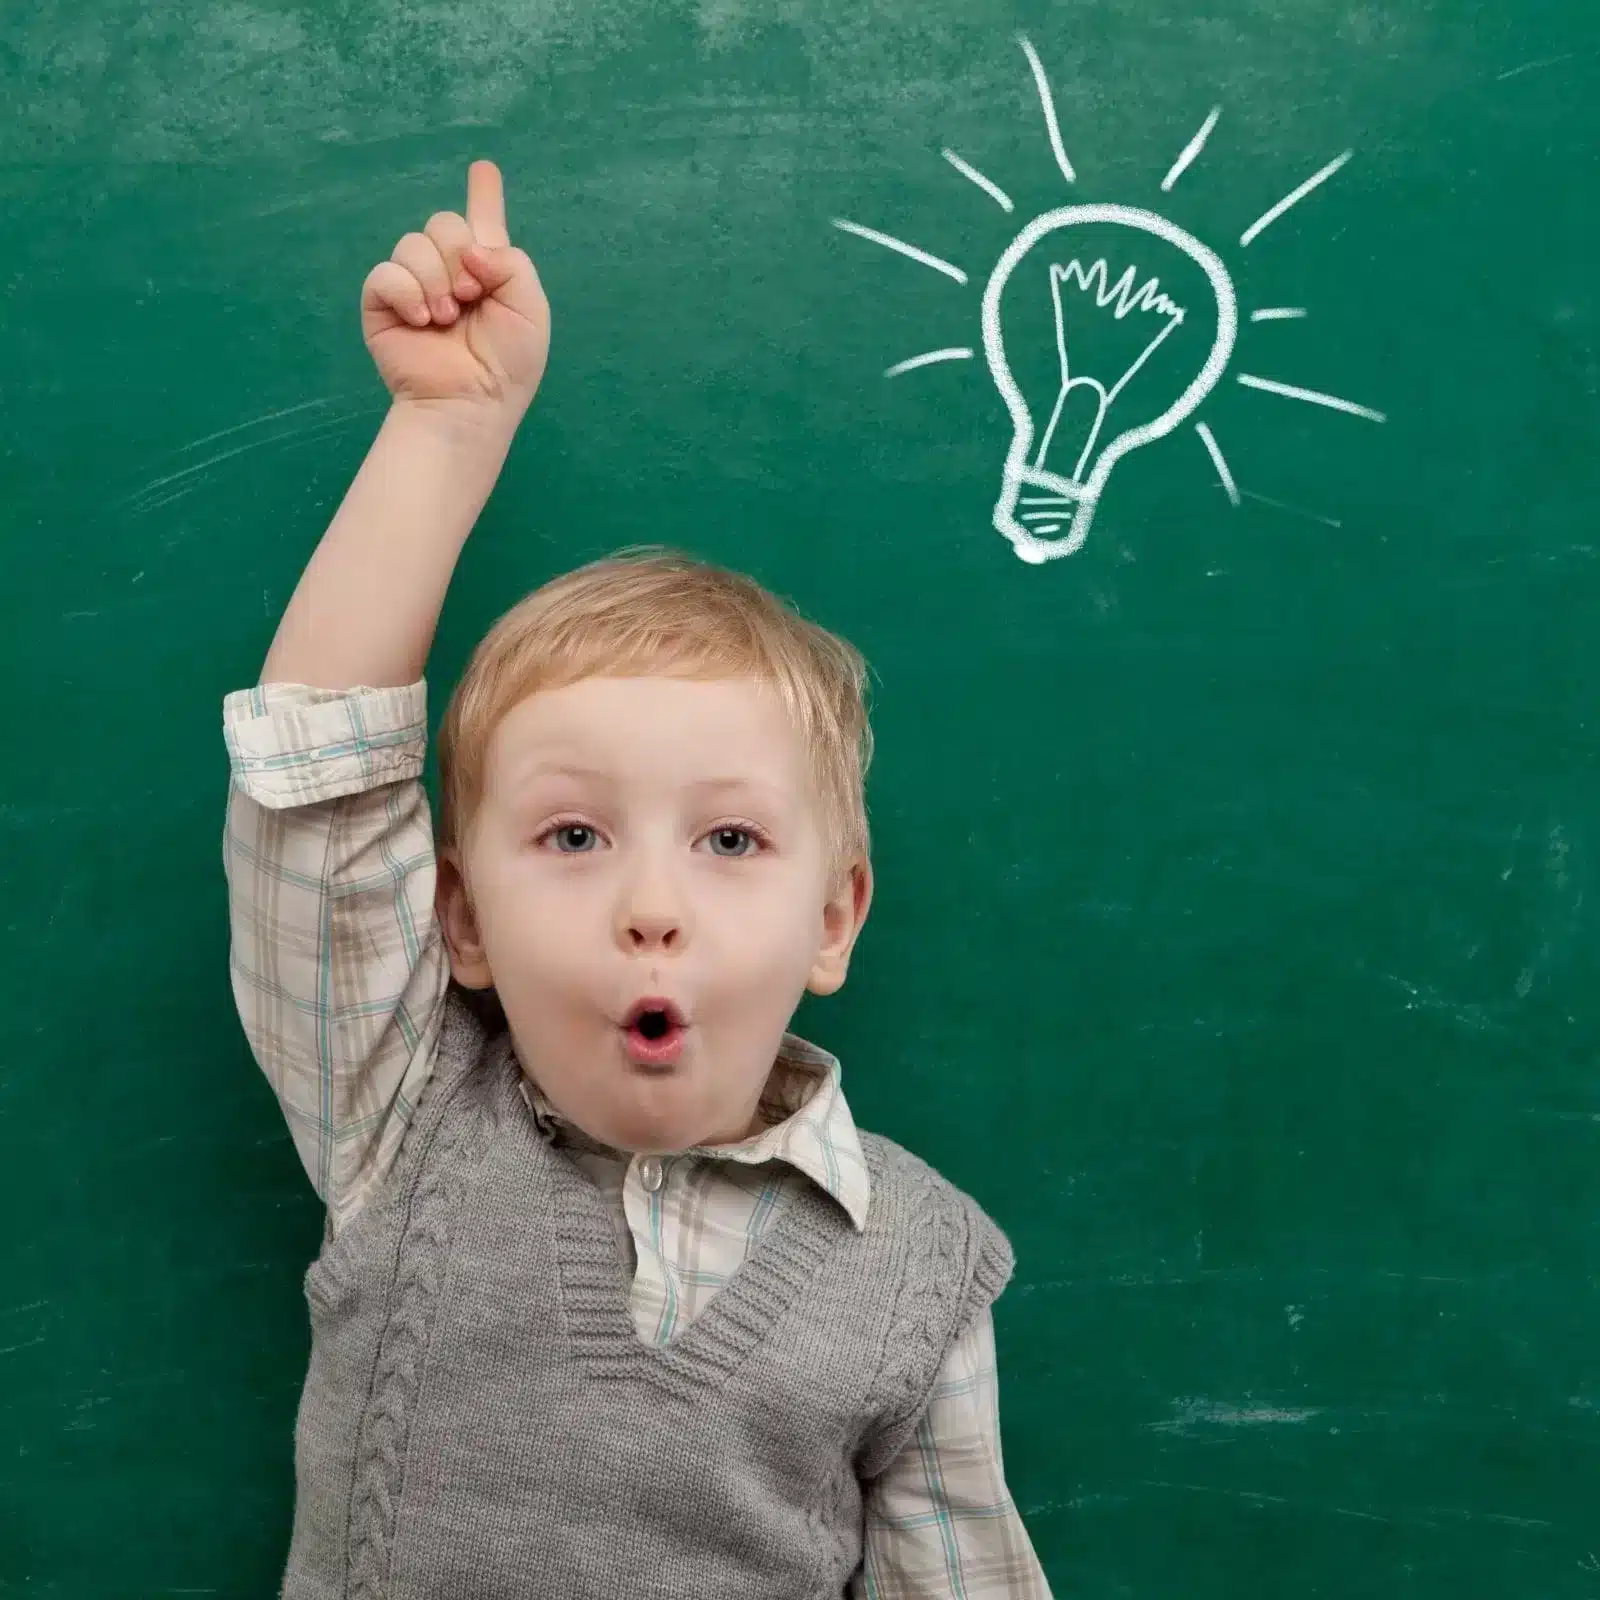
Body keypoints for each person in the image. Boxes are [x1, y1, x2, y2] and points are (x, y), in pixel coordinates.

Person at [222, 158, 1051, 1598]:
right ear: (463, 921)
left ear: (835, 917)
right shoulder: (401, 1120)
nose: (650, 908)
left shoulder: (920, 1267)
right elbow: (318, 784)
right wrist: (448, 429)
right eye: (573, 837)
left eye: (729, 842)